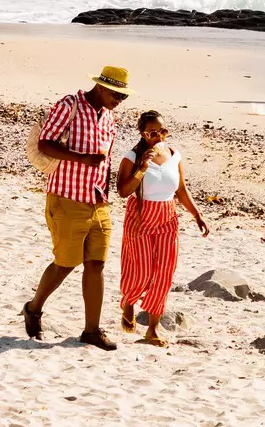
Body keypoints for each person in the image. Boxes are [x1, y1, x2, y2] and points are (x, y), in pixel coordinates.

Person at [23, 65, 130, 350]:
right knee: (65, 263)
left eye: (124, 97)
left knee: (97, 264)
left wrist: (105, 193)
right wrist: (81, 158)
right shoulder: (69, 105)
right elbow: (45, 144)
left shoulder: (109, 117)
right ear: (102, 88)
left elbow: (105, 161)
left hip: (98, 201)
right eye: (117, 95)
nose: (119, 101)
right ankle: (33, 309)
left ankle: (91, 331)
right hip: (66, 196)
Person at [114, 111, 209, 346]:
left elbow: (181, 190)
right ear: (143, 134)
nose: (159, 137)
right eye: (153, 133)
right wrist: (142, 168)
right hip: (140, 216)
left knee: (164, 274)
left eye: (163, 131)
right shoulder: (132, 156)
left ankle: (152, 330)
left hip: (168, 216)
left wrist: (197, 215)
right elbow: (123, 191)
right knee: (143, 272)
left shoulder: (174, 154)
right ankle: (128, 301)